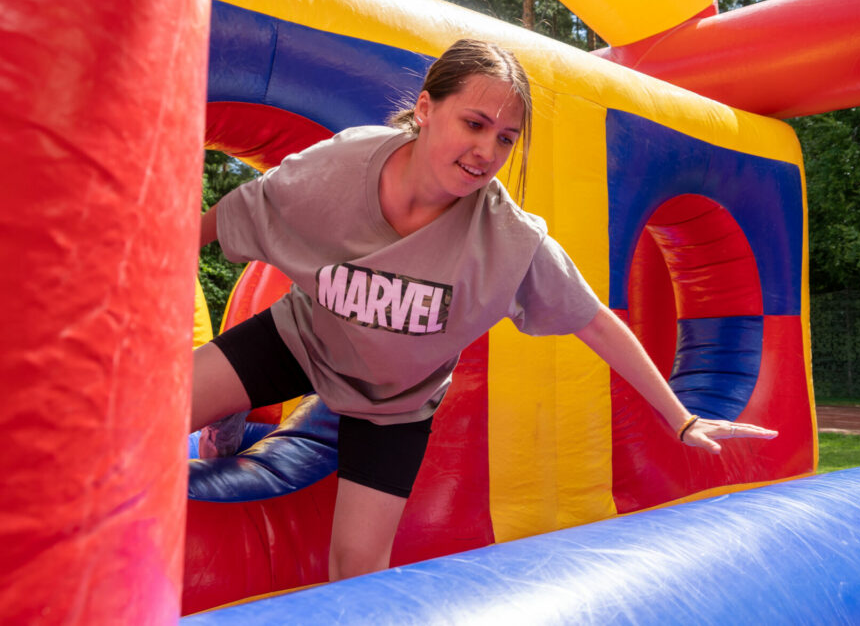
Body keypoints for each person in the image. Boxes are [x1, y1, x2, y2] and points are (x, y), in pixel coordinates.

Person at [192, 38, 777, 582]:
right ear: (425, 108)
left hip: (393, 403)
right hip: (302, 336)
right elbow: (238, 214)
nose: (486, 150)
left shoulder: (509, 241)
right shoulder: (341, 168)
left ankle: (236, 415)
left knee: (357, 565)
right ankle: (232, 413)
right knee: (146, 411)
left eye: (505, 137)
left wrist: (682, 418)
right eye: (474, 123)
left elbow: (596, 320)